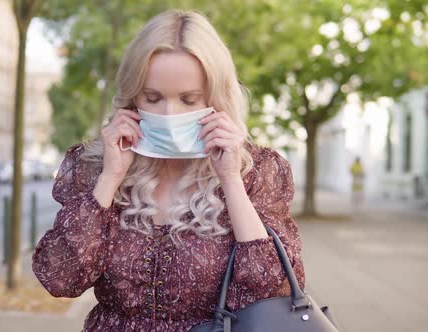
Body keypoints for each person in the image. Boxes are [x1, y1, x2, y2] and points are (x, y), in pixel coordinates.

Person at [32, 10, 304, 331]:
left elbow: (272, 290)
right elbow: (60, 277)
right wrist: (111, 177)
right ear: (132, 96)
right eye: (153, 97)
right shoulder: (94, 165)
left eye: (189, 100)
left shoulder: (256, 172)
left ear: (217, 98)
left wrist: (230, 180)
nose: (170, 113)